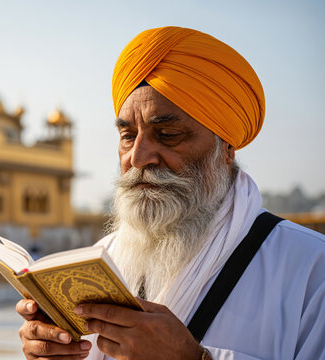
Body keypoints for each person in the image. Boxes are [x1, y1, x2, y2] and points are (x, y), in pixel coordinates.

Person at [16, 27, 325, 359]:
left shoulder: (310, 270)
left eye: (168, 134)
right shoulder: (103, 260)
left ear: (226, 149)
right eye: (127, 135)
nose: (137, 157)